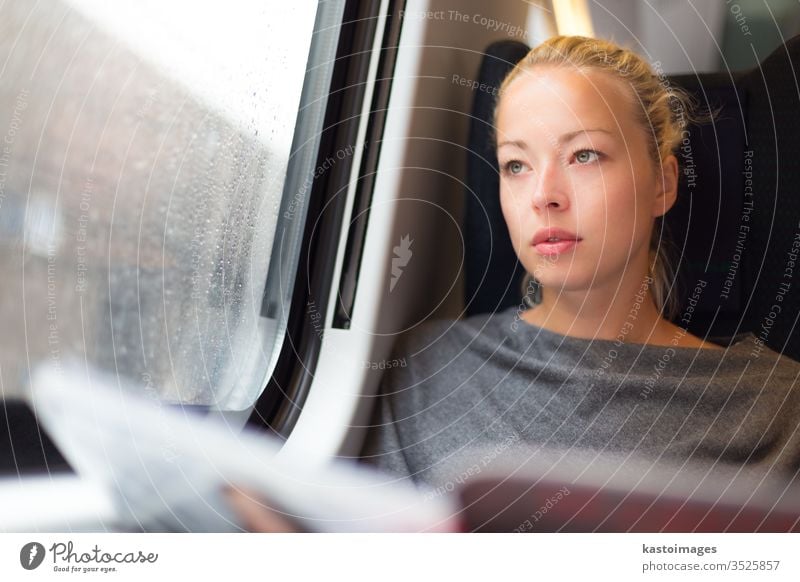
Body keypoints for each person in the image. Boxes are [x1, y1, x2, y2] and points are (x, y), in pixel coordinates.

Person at [229, 35, 800, 529]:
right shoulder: (429, 367)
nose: (543, 195)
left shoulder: (777, 405)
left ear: (662, 184)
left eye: (584, 155)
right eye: (515, 165)